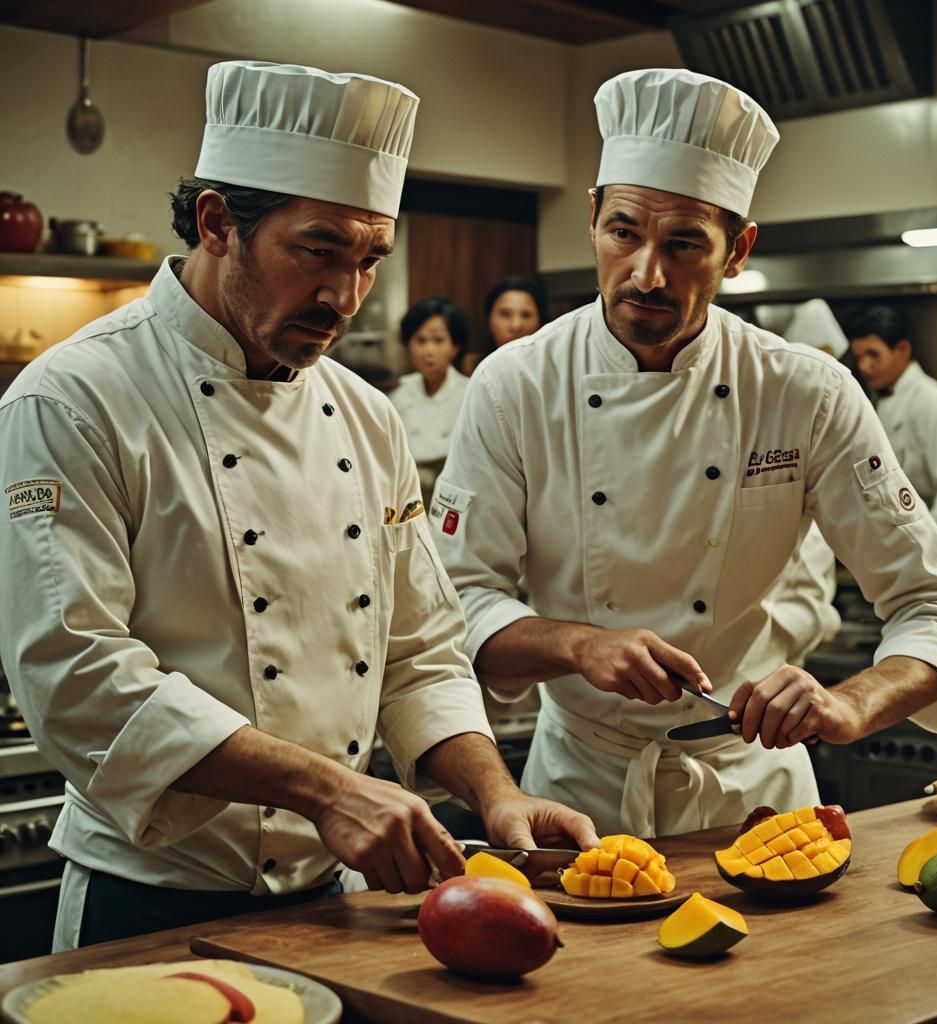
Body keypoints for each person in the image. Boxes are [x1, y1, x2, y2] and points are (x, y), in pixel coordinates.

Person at [0, 60, 596, 951]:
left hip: (332, 902)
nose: (344, 298)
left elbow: (419, 651)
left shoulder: (365, 414)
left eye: (368, 261)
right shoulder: (72, 402)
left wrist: (496, 793)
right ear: (215, 223)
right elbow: (78, 677)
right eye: (318, 250)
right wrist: (328, 789)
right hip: (151, 902)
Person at [430, 68, 937, 839]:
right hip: (580, 790)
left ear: (738, 250)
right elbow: (456, 604)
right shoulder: (515, 384)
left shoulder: (804, 391)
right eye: (624, 232)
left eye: (684, 243)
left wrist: (849, 703)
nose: (646, 273)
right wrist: (578, 644)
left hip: (755, 791)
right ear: (592, 220)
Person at [846, 304, 937, 560]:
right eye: (859, 356)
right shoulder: (881, 401)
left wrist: (909, 551)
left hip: (934, 557)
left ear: (903, 349)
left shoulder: (935, 405)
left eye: (873, 355)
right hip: (895, 555)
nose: (864, 366)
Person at [390, 297, 471, 506]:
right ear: (408, 345)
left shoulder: (471, 392)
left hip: (454, 500)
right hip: (406, 497)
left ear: (455, 347)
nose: (429, 351)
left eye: (438, 340)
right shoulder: (398, 394)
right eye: (421, 340)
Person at [461, 276, 548, 375]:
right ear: (488, 318)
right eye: (505, 314)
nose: (516, 326)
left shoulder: (552, 369)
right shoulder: (469, 369)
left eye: (526, 315)